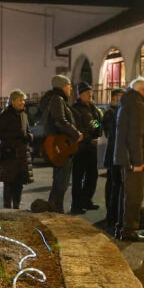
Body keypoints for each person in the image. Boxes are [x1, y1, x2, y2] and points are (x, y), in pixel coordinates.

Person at [114, 77, 144, 242]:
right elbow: (135, 136)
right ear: (140, 90)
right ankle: (129, 230)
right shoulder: (138, 106)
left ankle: (122, 227)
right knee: (134, 196)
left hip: (128, 158)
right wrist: (138, 162)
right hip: (134, 160)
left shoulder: (129, 103)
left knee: (127, 194)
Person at [40, 74, 82, 213]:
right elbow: (60, 121)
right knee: (61, 180)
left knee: (59, 178)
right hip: (62, 145)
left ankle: (54, 208)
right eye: (69, 86)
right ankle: (56, 210)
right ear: (63, 86)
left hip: (59, 144)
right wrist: (76, 133)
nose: (70, 89)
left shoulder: (52, 99)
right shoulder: (58, 100)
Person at [0, 90, 33, 209]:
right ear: (13, 101)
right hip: (9, 154)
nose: (22, 102)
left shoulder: (23, 114)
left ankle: (16, 207)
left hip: (21, 154)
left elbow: (27, 131)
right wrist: (17, 136)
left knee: (19, 182)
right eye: (20, 100)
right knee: (9, 183)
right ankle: (7, 208)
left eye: (23, 100)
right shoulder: (5, 115)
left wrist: (29, 136)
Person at [69, 81, 102, 214]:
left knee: (92, 175)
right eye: (87, 93)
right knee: (78, 177)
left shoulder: (91, 108)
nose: (90, 95)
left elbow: (95, 123)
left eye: (90, 92)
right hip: (81, 148)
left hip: (91, 146)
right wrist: (89, 135)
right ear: (80, 95)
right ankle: (76, 205)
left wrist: (98, 130)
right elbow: (78, 127)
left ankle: (87, 201)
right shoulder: (76, 109)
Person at [101, 88, 125, 230]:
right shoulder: (110, 112)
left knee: (114, 183)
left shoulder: (115, 111)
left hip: (114, 151)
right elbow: (99, 124)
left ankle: (114, 213)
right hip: (112, 152)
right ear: (116, 97)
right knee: (113, 184)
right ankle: (111, 214)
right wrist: (93, 129)